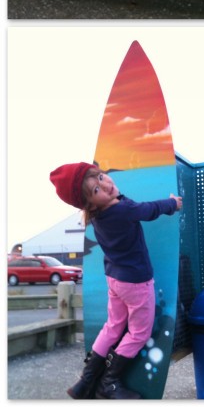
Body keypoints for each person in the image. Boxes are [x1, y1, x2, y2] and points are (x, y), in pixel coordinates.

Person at [49, 162, 182, 400]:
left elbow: (126, 203)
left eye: (101, 177)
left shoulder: (99, 216)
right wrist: (173, 204)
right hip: (136, 283)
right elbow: (147, 210)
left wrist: (108, 193)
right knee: (139, 333)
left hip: (115, 280)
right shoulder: (122, 210)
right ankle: (108, 384)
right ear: (90, 203)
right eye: (96, 190)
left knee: (113, 327)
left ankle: (85, 381)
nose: (106, 185)